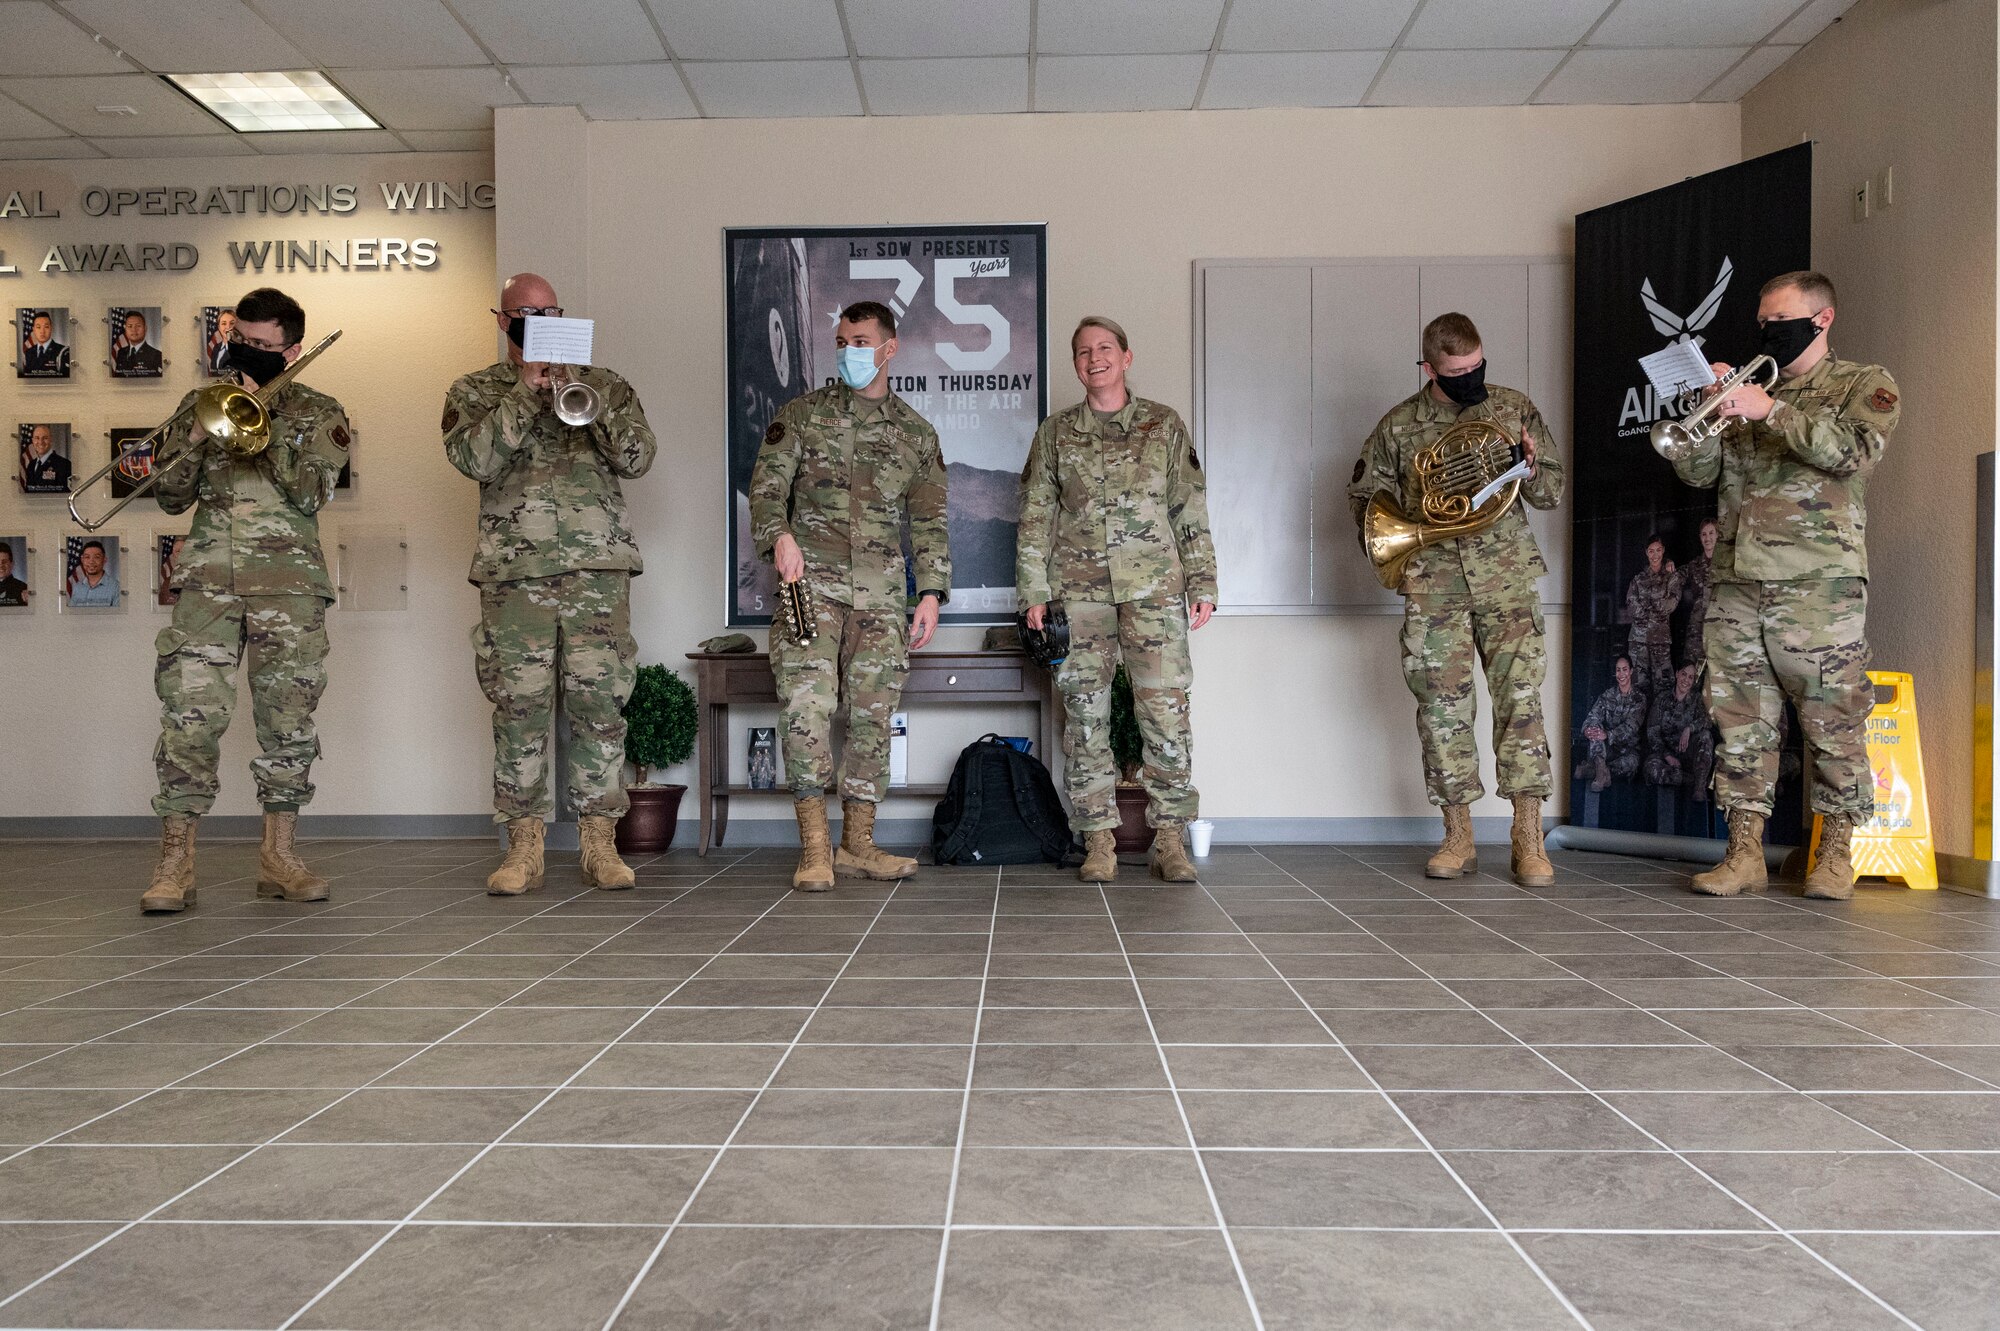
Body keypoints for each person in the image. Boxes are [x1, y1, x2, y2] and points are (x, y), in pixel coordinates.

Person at [1673, 270, 1898, 901]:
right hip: (1738, 580)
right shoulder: (1744, 389)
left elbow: (1853, 453)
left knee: (1833, 720)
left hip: (1817, 585)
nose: (1768, 331)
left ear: (1822, 319)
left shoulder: (1863, 383)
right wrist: (1708, 405)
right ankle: (1744, 853)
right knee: (1740, 720)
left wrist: (1771, 410)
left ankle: (1835, 853)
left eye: (1781, 320)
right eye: (1763, 322)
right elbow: (1696, 471)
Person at [138, 288, 352, 913]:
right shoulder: (199, 404)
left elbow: (313, 490)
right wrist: (206, 430)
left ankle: (278, 856)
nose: (249, 353)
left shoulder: (320, 410)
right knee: (188, 719)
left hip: (289, 588)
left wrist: (265, 421)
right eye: (242, 342)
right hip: (208, 586)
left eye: (263, 347)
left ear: (292, 349)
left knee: (288, 722)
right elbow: (171, 496)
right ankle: (175, 862)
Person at [444, 272, 657, 896]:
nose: (537, 319)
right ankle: (524, 849)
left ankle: (599, 843)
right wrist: (524, 391)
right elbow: (473, 460)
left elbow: (640, 459)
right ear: (501, 318)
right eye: (524, 312)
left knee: (600, 709)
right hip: (515, 577)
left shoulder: (605, 384)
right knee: (520, 711)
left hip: (597, 575)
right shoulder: (475, 391)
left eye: (549, 311)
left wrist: (584, 398)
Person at [1348, 312, 1564, 886]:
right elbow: (1366, 502)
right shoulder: (1397, 427)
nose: (1469, 377)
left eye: (1476, 367)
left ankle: (1528, 836)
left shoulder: (1513, 409)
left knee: (1520, 704)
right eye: (1455, 371)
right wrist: (1415, 526)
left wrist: (1533, 466)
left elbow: (1552, 492)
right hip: (1434, 582)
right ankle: (1458, 834)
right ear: (1429, 368)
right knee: (1441, 711)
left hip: (1508, 579)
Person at [750, 299, 948, 891]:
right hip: (810, 592)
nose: (848, 352)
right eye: (841, 341)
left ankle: (857, 844)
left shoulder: (915, 433)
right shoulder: (803, 416)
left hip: (883, 601)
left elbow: (932, 522)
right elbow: (765, 492)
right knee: (806, 713)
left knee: (871, 719)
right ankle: (814, 850)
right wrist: (779, 537)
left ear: (889, 348)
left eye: (860, 341)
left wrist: (932, 592)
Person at [1017, 316, 1217, 884]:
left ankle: (1170, 840)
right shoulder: (1055, 436)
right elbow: (1034, 519)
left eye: (1104, 348)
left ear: (1126, 358)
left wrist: (1203, 583)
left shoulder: (1163, 425)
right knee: (1085, 715)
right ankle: (1099, 839)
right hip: (1078, 598)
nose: (1094, 358)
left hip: (1154, 592)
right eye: (1083, 352)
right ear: (1076, 364)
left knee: (1166, 713)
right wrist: (1033, 591)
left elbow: (1189, 508)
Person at [1624, 534, 1681, 703]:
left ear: (1663, 551)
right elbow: (1631, 606)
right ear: (1646, 553)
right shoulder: (1638, 579)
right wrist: (1656, 609)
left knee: (1663, 686)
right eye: (1651, 551)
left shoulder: (1671, 577)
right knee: (1637, 686)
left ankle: (1660, 726)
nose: (1655, 555)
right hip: (1638, 642)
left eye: (1658, 550)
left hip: (1660, 642)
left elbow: (1672, 603)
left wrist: (1648, 607)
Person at [1575, 656, 1645, 791]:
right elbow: (1593, 715)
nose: (1621, 674)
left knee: (1631, 764)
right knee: (1595, 727)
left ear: (1631, 671)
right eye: (1618, 670)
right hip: (1607, 749)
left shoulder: (1639, 698)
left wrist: (1608, 734)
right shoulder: (1608, 695)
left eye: (1624, 670)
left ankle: (1592, 771)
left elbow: (1631, 727)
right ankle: (1600, 770)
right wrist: (1587, 730)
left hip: (1627, 750)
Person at [1644, 663, 1713, 797]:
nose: (1686, 680)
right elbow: (1652, 731)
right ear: (1676, 674)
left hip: (1687, 754)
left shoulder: (1696, 699)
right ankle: (1695, 781)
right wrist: (1667, 755)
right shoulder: (1662, 699)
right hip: (1666, 755)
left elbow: (1707, 720)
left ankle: (1699, 789)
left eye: (1690, 677)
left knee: (1705, 736)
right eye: (1683, 674)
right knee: (1651, 769)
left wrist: (1689, 728)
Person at [1679, 517, 1719, 669]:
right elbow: (1674, 576)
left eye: (1711, 533)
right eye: (1703, 534)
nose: (1707, 538)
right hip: (1697, 632)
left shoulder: (1726, 564)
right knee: (1691, 670)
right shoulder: (1693, 565)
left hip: (1719, 628)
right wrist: (1668, 562)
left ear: (1718, 535)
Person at [66, 539, 118, 607]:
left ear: (104, 560)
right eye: (87, 557)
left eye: (97, 557)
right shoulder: (77, 587)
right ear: (82, 560)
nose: (91, 562)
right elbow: (71, 615)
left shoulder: (116, 587)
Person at [21, 424, 70, 492]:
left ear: (51, 440)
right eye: (37, 438)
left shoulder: (64, 464)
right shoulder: (31, 465)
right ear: (32, 440)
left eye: (45, 438)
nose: (41, 442)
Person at [113, 310, 163, 375]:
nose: (134, 330)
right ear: (125, 329)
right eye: (130, 326)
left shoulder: (156, 355)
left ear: (145, 328)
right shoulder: (121, 353)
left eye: (138, 326)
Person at [21, 311, 67, 376]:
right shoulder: (28, 352)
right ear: (33, 330)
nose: (42, 331)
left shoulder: (62, 352)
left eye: (46, 327)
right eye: (38, 327)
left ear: (51, 328)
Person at [206, 308, 236, 377]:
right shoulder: (216, 348)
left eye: (232, 323)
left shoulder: (242, 349)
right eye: (223, 323)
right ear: (219, 327)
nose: (228, 327)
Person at [158, 535, 185, 607]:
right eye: (178, 551)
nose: (180, 555)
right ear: (173, 552)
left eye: (183, 551)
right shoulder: (165, 568)